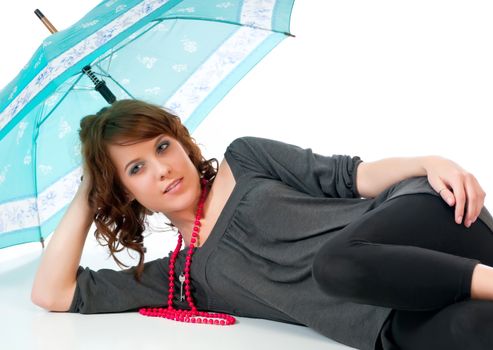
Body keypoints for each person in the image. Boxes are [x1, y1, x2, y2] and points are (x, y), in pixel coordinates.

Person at [31, 99, 493, 350]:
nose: (162, 168)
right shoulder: (184, 279)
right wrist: (88, 192)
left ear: (181, 143)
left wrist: (431, 161)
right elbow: (54, 294)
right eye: (136, 169)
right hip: (393, 318)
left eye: (162, 146)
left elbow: (352, 176)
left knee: (334, 266)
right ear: (124, 192)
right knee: (473, 331)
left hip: (430, 224)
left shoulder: (245, 159)